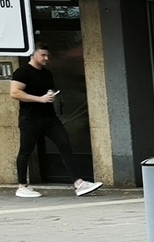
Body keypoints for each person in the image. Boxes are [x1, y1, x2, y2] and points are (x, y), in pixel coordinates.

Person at [9, 47, 101, 199]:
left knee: (65, 145)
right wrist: (40, 99)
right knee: (26, 150)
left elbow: (49, 90)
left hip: (49, 117)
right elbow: (15, 93)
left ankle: (79, 183)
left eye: (48, 55)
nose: (46, 58)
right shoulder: (22, 72)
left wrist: (51, 96)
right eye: (43, 55)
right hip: (30, 118)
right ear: (33, 54)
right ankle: (22, 186)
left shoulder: (47, 73)